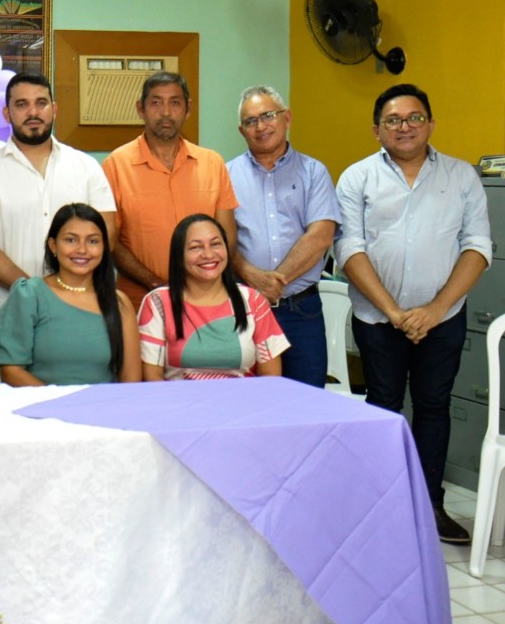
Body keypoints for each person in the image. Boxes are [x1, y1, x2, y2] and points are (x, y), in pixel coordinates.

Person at [335, 83, 491, 545]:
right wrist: (396, 312)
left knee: (432, 408)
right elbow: (349, 247)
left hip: (443, 319)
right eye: (393, 120)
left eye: (414, 118)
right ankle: (378, 503)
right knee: (382, 406)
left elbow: (477, 246)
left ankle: (429, 504)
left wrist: (435, 309)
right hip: (377, 319)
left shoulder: (462, 177)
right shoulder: (357, 178)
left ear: (431, 124)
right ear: (376, 130)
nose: (405, 127)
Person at [0, 72, 116, 382]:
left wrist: (62, 298)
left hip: (84, 314)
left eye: (41, 103)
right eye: (22, 104)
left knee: (84, 411)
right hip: (9, 315)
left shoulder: (85, 167)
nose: (33, 112)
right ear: (7, 113)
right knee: (16, 417)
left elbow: (106, 234)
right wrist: (36, 296)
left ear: (54, 109)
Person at [227, 85, 341, 388]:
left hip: (300, 310)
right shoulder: (225, 175)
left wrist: (274, 283)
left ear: (286, 118)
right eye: (251, 121)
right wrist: (253, 278)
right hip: (244, 308)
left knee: (306, 400)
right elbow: (223, 242)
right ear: (242, 130)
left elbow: (320, 236)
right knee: (247, 401)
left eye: (268, 116)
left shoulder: (314, 172)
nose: (260, 126)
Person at [103, 70, 239, 307]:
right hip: (139, 302)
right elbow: (109, 242)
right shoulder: (116, 165)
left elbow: (226, 237)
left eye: (174, 103)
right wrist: (154, 283)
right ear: (140, 109)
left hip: (205, 301)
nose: (165, 112)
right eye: (156, 102)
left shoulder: (212, 163)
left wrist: (198, 284)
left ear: (188, 109)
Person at [0, 204, 140, 385]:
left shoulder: (119, 303)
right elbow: (11, 370)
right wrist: (62, 404)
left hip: (103, 409)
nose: (82, 250)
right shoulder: (29, 295)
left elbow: (130, 381)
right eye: (71, 240)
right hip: (43, 408)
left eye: (93, 241)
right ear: (53, 245)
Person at [138, 213, 287, 381]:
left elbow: (271, 378)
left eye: (215, 244)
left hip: (242, 404)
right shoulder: (157, 302)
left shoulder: (253, 301)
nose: (208, 255)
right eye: (196, 247)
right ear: (179, 255)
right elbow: (152, 379)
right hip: (178, 404)